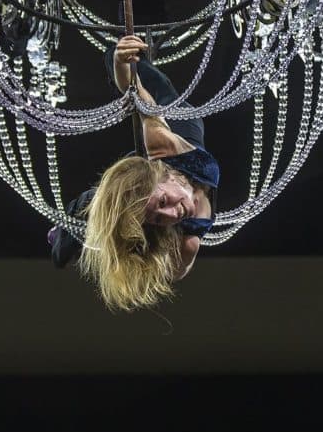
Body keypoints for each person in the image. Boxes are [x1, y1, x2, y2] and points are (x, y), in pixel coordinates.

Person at [48, 34, 220, 311]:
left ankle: (116, 53)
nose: (170, 215)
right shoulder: (189, 236)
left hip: (170, 150)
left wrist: (120, 61)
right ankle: (74, 229)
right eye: (157, 217)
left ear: (163, 175)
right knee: (110, 213)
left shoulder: (161, 143)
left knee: (146, 78)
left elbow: (133, 90)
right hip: (186, 144)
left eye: (163, 203)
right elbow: (175, 273)